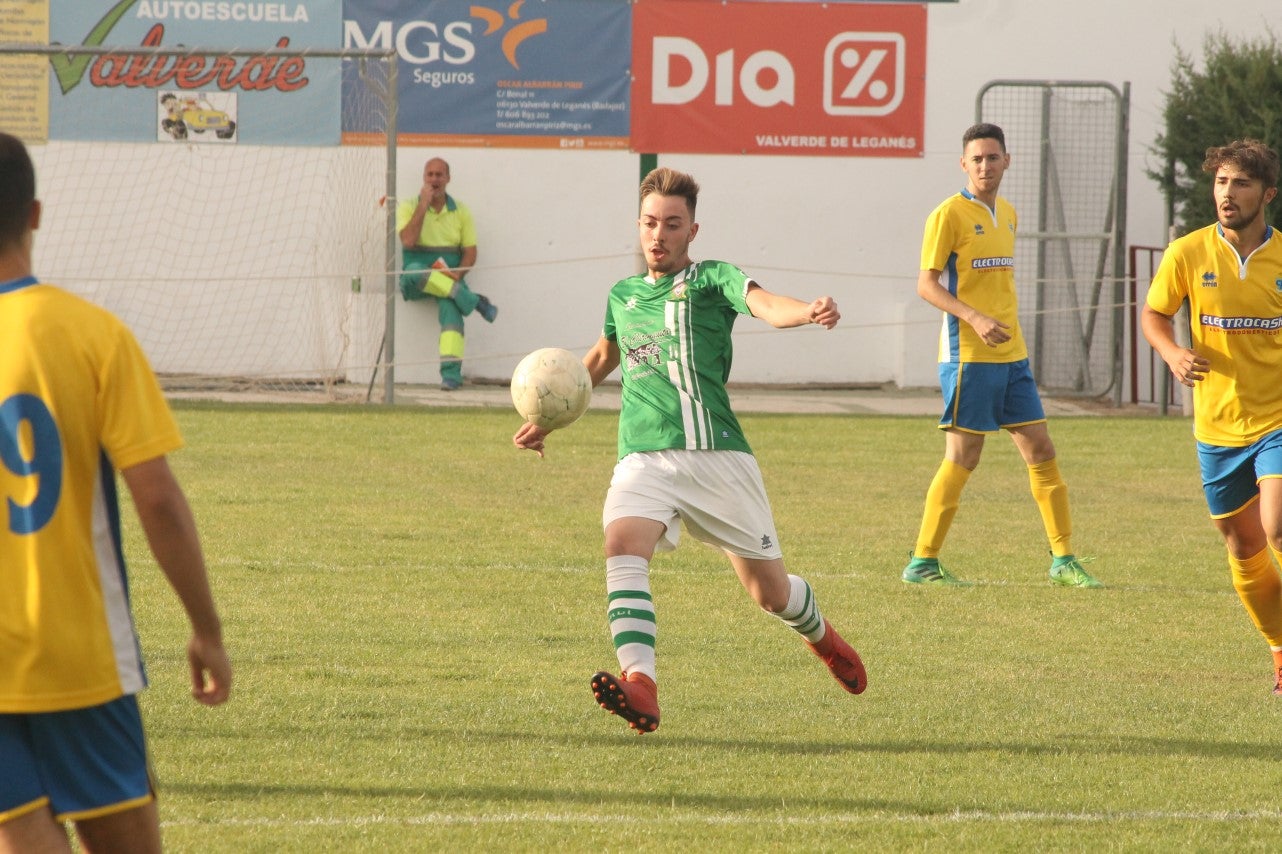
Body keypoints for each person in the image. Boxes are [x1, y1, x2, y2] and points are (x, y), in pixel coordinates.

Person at [513, 167, 866, 734]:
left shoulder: (713, 280)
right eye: (651, 223)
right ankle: (642, 685)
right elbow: (601, 358)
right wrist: (551, 414)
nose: (659, 235)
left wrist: (808, 311)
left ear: (692, 231)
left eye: (672, 225)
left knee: (769, 594)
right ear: (639, 225)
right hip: (642, 457)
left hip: (716, 457)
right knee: (621, 545)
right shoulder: (623, 296)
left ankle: (822, 636)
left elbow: (767, 305)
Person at [0, 132, 232, 852]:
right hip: (80, 654)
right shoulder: (92, 334)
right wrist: (206, 629)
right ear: (35, 213)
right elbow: (155, 496)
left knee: (19, 831)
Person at [902, 122, 1101, 588]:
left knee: (1042, 449)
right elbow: (926, 285)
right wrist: (974, 318)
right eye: (977, 159)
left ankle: (1063, 559)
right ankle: (923, 561)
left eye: (993, 157)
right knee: (964, 455)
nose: (985, 166)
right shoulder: (947, 214)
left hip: (1013, 357)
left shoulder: (1008, 213)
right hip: (968, 355)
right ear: (963, 164)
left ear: (1006, 160)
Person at [1142, 138, 1282, 695]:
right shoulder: (1188, 253)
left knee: (1277, 525)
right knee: (1243, 546)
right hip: (1216, 429)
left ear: (1267, 194)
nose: (1227, 194)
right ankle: (1279, 650)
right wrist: (1174, 352)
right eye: (1222, 182)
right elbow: (1154, 314)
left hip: (1275, 419)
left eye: (1241, 183)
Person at [396, 157, 497, 390]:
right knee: (413, 272)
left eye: (439, 175)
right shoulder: (409, 206)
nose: (434, 179)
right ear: (424, 178)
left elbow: (470, 253)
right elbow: (409, 241)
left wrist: (457, 276)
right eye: (429, 174)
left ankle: (451, 376)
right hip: (416, 281)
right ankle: (473, 302)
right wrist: (423, 204)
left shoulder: (461, 211)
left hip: (451, 282)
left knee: (452, 315)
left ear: (448, 179)